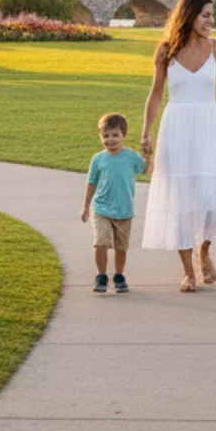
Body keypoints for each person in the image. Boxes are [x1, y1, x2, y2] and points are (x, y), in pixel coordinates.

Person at [140, 0, 216, 293]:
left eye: (212, 15)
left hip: (208, 126)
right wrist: (146, 132)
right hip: (176, 127)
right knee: (181, 199)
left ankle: (204, 251)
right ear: (189, 16)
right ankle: (188, 271)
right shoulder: (166, 50)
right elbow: (156, 94)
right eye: (205, 15)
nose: (211, 21)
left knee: (210, 198)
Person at [81, 112, 147, 294]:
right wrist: (85, 207)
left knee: (121, 247)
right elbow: (91, 182)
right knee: (100, 242)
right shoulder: (98, 159)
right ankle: (101, 275)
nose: (110, 140)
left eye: (115, 135)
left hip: (124, 210)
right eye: (106, 136)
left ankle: (119, 275)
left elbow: (147, 168)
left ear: (124, 136)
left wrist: (148, 153)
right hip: (101, 208)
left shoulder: (131, 157)